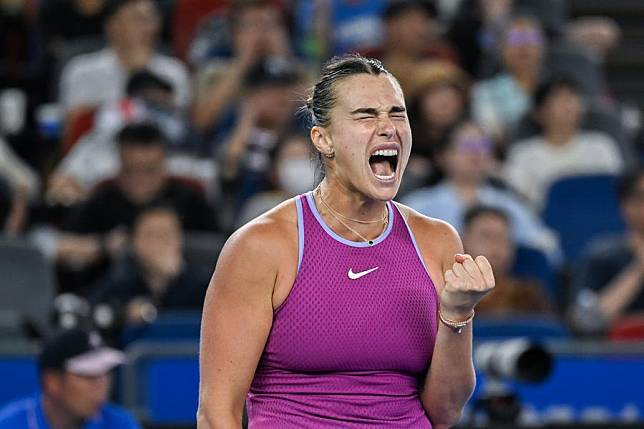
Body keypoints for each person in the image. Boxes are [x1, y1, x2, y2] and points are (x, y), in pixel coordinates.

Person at [197, 55, 495, 428]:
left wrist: (458, 315)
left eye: (397, 114)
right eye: (367, 115)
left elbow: (445, 411)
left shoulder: (437, 240)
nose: (388, 128)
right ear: (324, 139)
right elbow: (216, 413)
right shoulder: (262, 245)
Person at [504, 75, 623, 210]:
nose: (569, 106)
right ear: (539, 113)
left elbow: (614, 190)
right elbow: (519, 199)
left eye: (573, 99)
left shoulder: (601, 145)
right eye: (560, 100)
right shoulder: (523, 153)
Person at [0, 328, 141, 428]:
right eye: (89, 375)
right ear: (52, 382)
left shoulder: (121, 424)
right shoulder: (8, 424)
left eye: (105, 373)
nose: (101, 384)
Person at [571, 168, 644, 331]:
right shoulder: (601, 256)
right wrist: (638, 270)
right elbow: (585, 322)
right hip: (614, 353)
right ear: (625, 205)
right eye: (641, 198)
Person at [461, 205, 554, 315]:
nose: (495, 244)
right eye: (486, 236)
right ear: (463, 240)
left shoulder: (529, 296)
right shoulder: (449, 295)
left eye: (503, 237)